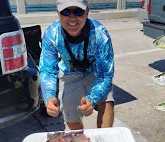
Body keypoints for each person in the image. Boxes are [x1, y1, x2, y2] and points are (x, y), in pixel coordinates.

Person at [39, 0, 115, 130]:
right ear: (58, 13)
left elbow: (106, 74)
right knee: (70, 116)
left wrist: (92, 99)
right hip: (69, 72)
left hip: (95, 71)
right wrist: (49, 97)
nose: (72, 18)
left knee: (106, 101)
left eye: (78, 11)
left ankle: (105, 137)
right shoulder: (51, 34)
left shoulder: (100, 33)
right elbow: (48, 70)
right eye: (66, 11)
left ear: (87, 12)